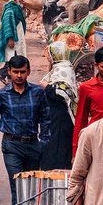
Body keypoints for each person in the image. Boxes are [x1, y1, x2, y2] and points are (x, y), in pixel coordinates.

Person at [0, 55, 51, 205]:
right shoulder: (1, 94)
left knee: (31, 186)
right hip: (11, 146)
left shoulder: (37, 92)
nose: (19, 76)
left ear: (28, 72)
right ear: (9, 72)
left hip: (33, 144)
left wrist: (43, 143)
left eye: (22, 72)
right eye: (15, 72)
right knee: (17, 185)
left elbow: (45, 118)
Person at [40, 41, 78, 170]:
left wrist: (47, 87)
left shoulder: (63, 69)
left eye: (49, 55)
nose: (48, 58)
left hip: (61, 117)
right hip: (55, 116)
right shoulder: (60, 67)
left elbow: (63, 93)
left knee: (57, 150)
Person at [73, 47, 103, 155]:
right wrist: (76, 151)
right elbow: (81, 119)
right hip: (95, 137)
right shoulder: (86, 87)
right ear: (96, 66)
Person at [0, 0, 27, 77]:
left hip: (17, 38)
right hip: (13, 39)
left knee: (15, 58)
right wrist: (10, 38)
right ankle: (2, 73)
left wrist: (24, 7)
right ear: (15, 0)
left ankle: (9, 79)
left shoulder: (16, 9)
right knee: (13, 58)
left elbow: (22, 18)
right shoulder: (10, 10)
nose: (22, 1)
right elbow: (7, 25)